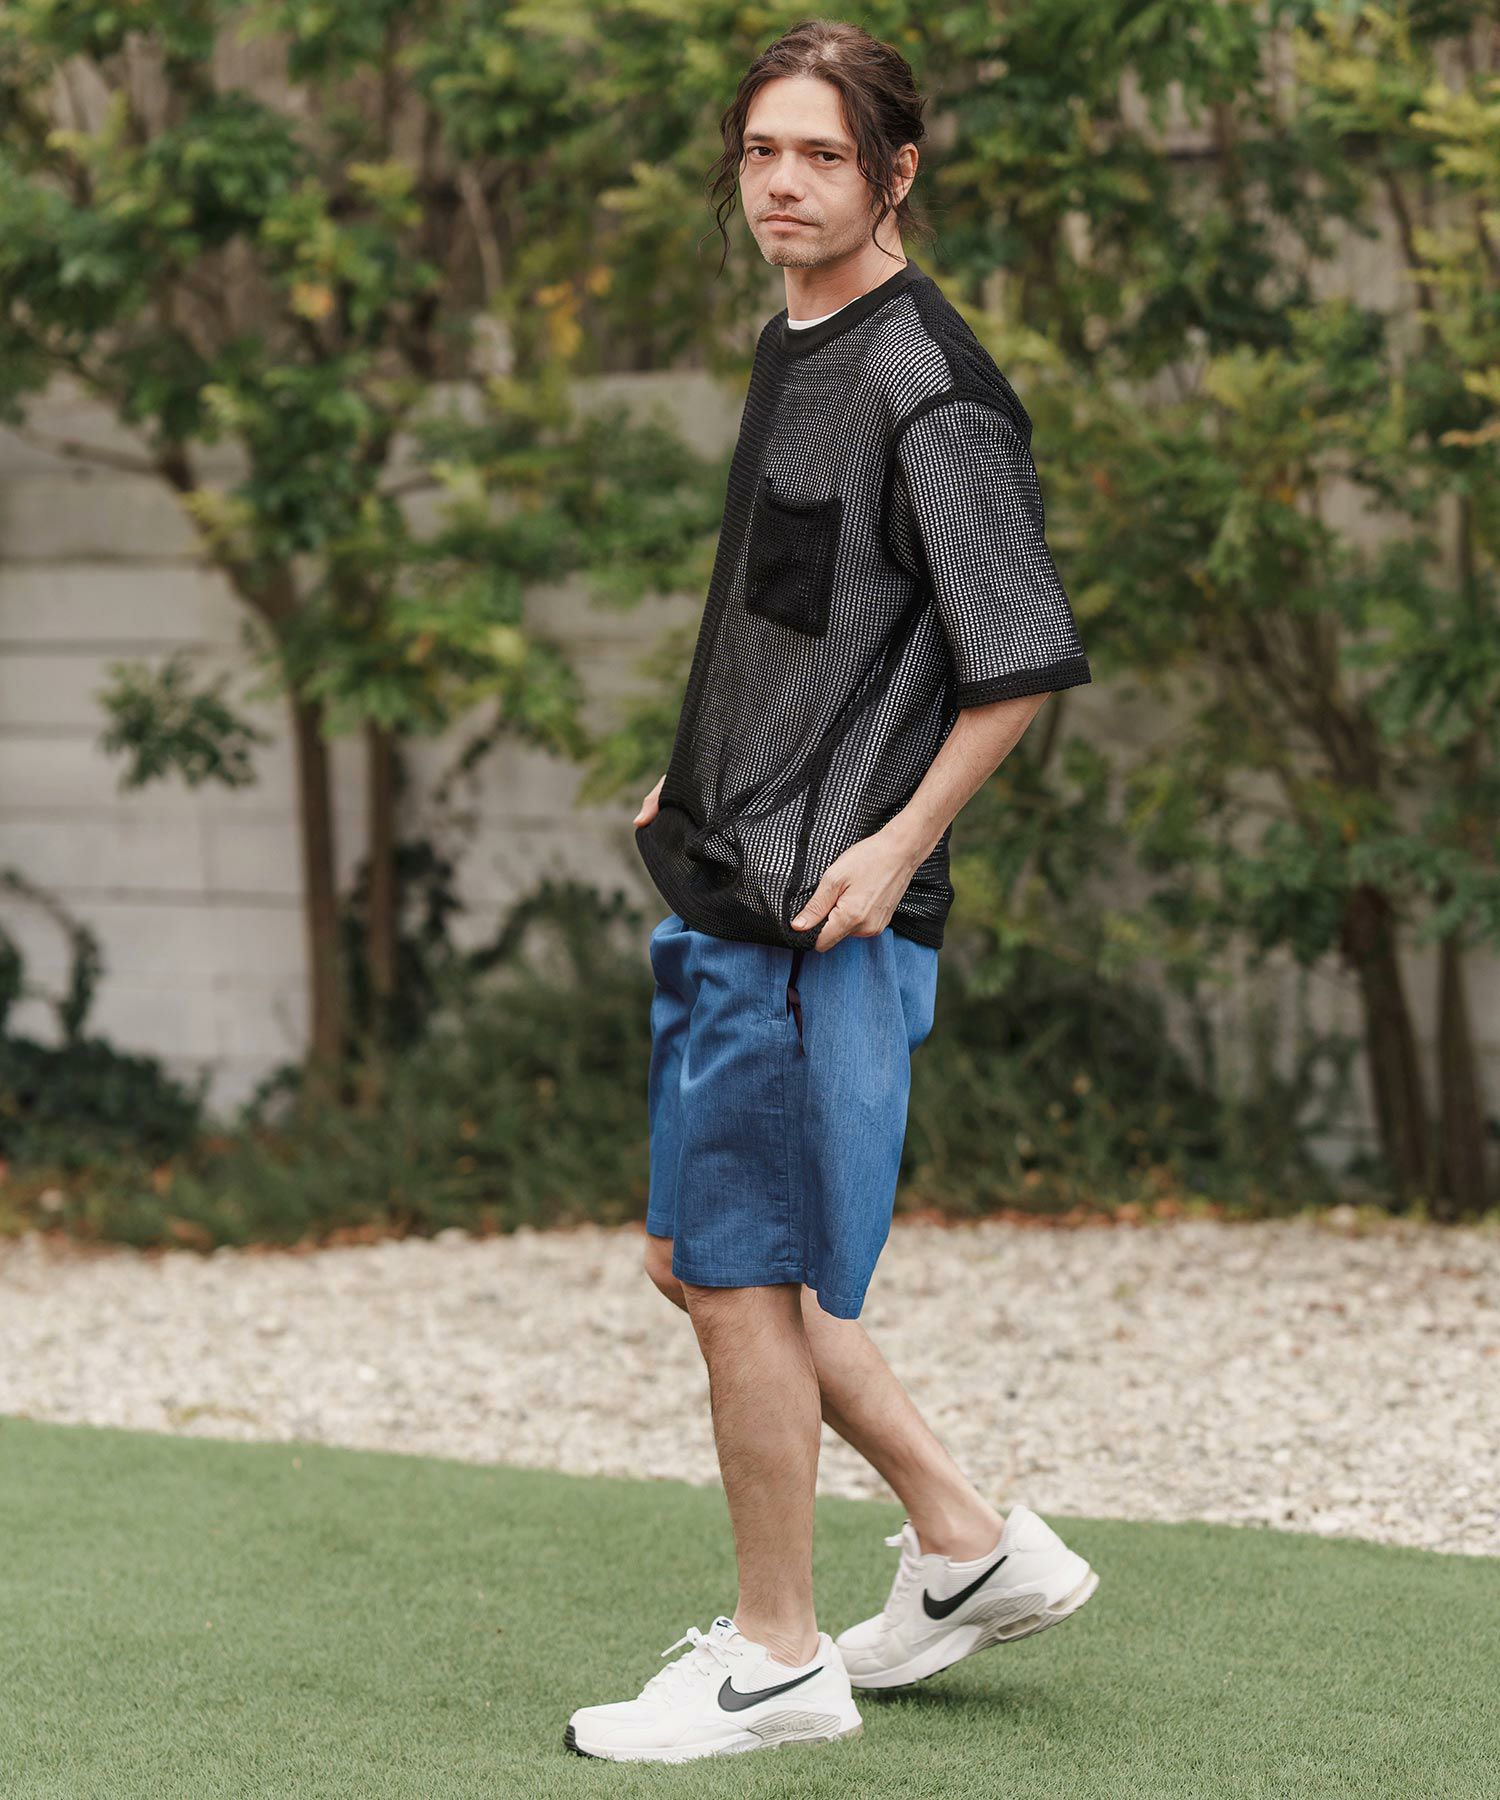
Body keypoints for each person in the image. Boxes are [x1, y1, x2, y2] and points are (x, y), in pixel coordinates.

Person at [565, 19, 1100, 1765]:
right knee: (699, 1261)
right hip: (732, 874)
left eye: (820, 154)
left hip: (820, 917)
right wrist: (700, 766)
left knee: (744, 1276)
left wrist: (897, 841)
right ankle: (964, 1542)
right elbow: (798, 608)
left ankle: (780, 1660)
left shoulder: (926, 382)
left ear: (896, 171)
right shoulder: (800, 342)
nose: (782, 185)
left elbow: (1014, 657)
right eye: (760, 152)